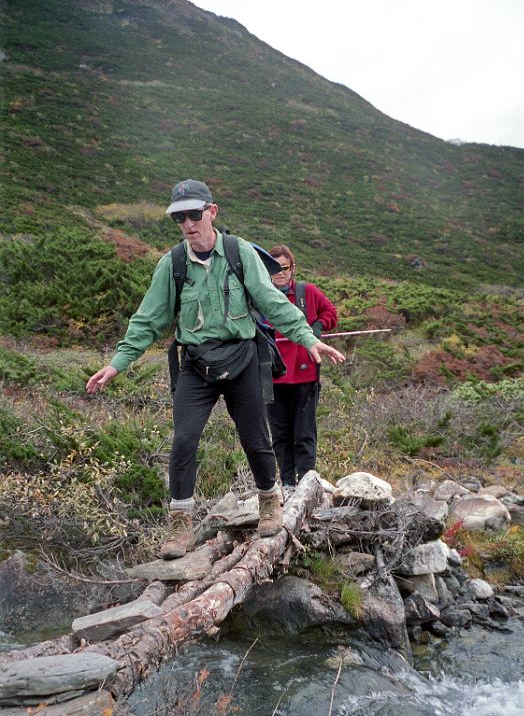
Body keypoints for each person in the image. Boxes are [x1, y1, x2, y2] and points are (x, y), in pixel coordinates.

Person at [86, 179, 345, 560]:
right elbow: (148, 320)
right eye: (180, 217)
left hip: (243, 359)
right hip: (196, 365)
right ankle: (179, 524)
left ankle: (269, 502)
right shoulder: (172, 264)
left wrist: (308, 338)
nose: (188, 223)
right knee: (184, 440)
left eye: (194, 213)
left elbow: (272, 302)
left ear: (212, 211)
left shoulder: (240, 254)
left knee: (257, 439)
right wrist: (116, 364)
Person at [267, 245, 338, 495]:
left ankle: (307, 483)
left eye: (283, 268)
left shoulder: (307, 293)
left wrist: (317, 327)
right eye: (273, 268)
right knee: (280, 434)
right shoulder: (259, 297)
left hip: (305, 376)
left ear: (292, 268)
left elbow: (331, 312)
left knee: (304, 432)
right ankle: (287, 484)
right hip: (272, 378)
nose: (279, 273)